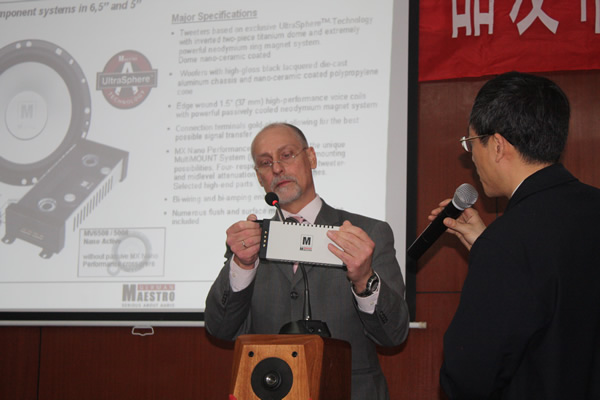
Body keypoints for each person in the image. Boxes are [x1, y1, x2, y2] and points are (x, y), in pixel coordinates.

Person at [205, 122, 409, 400]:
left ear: (311, 157)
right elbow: (220, 328)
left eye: (286, 155)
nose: (277, 168)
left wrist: (365, 280)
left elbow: (394, 334)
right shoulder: (249, 241)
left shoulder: (367, 233)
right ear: (259, 177)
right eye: (265, 163)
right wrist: (241, 266)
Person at [428, 71, 600, 399]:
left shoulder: (507, 243)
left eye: (470, 143)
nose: (471, 156)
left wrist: (496, 252)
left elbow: (468, 375)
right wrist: (490, 248)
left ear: (497, 145)